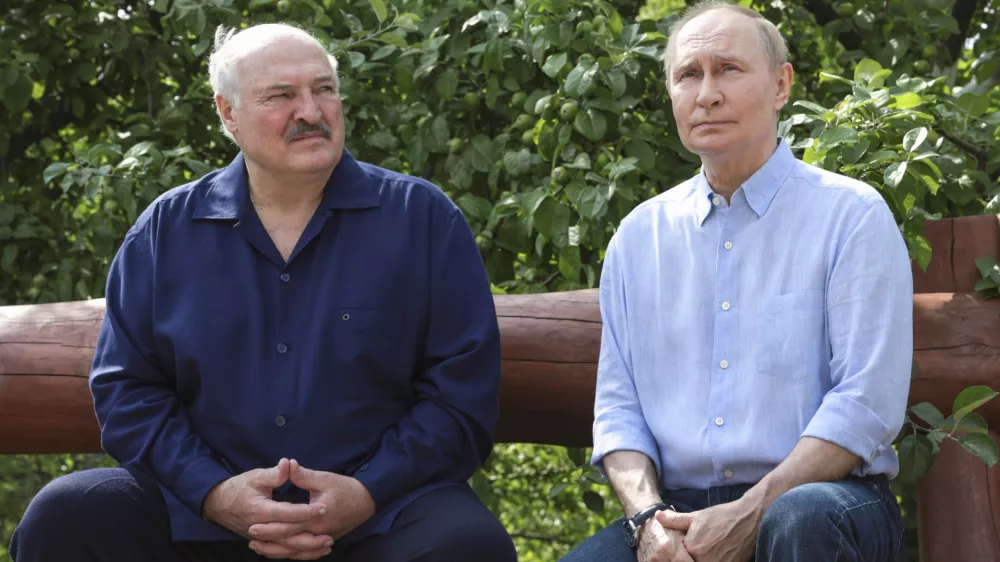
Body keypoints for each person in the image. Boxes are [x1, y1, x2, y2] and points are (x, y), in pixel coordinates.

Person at [10, 22, 516, 562]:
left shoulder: (423, 220)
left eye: (323, 89)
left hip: (380, 519)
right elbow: (127, 392)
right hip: (202, 519)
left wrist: (365, 492)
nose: (312, 112)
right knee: (67, 515)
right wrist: (213, 492)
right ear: (228, 113)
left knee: (469, 546)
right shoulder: (166, 232)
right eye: (281, 96)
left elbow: (459, 397)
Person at [560, 2, 912, 561]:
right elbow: (618, 413)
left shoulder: (851, 215)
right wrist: (649, 521)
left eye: (728, 69)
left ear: (780, 85)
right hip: (675, 511)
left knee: (799, 520)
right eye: (687, 74)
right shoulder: (637, 238)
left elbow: (867, 402)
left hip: (829, 500)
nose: (707, 94)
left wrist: (752, 512)